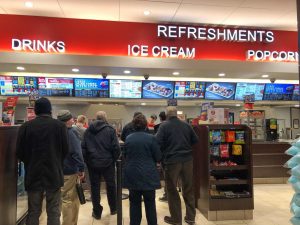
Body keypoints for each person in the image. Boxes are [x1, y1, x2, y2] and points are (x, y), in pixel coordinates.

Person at [16, 97, 69, 225]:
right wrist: (56, 161)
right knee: (54, 211)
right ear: (50, 110)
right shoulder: (60, 126)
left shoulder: (25, 127)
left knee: (34, 211)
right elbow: (65, 150)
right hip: (54, 174)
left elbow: (19, 152)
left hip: (33, 174)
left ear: (35, 110)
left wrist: (30, 162)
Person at [156, 106, 199, 225]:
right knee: (188, 188)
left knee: (172, 190)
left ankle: (176, 219)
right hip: (188, 160)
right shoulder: (186, 125)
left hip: (171, 161)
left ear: (167, 115)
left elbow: (157, 142)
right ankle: (190, 218)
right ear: (176, 114)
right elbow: (195, 140)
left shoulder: (164, 126)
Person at [123, 114, 161, 225]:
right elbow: (158, 157)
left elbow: (125, 155)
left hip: (133, 174)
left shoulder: (129, 138)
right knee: (150, 204)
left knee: (134, 204)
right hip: (148, 174)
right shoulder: (151, 138)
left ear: (133, 126)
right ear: (145, 125)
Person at [82, 111, 120, 219]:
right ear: (105, 118)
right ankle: (113, 208)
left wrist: (87, 160)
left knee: (95, 188)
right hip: (108, 163)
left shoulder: (88, 130)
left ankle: (97, 212)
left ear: (96, 118)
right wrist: (114, 159)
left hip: (92, 163)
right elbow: (116, 148)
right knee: (111, 186)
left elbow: (83, 147)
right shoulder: (110, 130)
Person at [57, 110, 85, 225]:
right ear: (68, 120)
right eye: (71, 119)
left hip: (58, 170)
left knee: (63, 198)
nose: (73, 120)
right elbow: (76, 152)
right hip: (69, 170)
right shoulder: (71, 132)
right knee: (68, 199)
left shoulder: (56, 131)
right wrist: (81, 168)